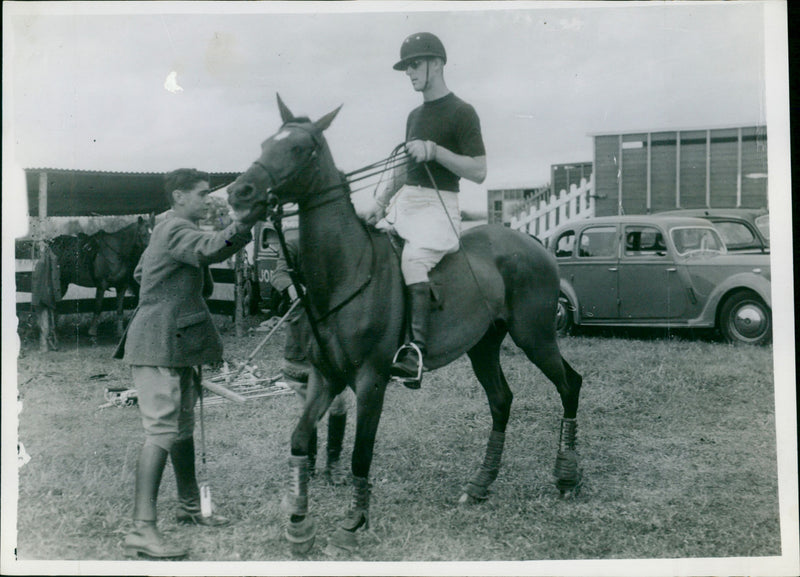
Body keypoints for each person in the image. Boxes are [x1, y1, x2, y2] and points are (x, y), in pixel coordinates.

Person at [113, 168, 261, 558]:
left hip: (172, 342)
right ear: (179, 197)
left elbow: (143, 270)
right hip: (159, 344)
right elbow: (210, 248)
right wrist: (244, 222)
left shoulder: (167, 230)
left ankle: (190, 507)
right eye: (201, 194)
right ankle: (142, 531)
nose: (208, 199)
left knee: (179, 429)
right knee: (162, 430)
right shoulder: (175, 228)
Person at [362, 32, 487, 389]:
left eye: (414, 64)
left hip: (439, 207)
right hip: (406, 205)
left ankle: (415, 351)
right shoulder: (414, 114)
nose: (409, 72)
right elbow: (404, 168)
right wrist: (379, 203)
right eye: (406, 67)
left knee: (413, 261)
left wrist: (435, 151)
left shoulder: (463, 112)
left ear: (437, 63)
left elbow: (479, 171)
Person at [270, 226, 350, 485]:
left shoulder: (341, 239)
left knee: (338, 402)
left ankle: (334, 463)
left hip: (336, 331)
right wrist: (295, 290)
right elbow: (279, 274)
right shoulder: (293, 239)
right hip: (303, 331)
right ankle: (310, 463)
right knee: (309, 403)